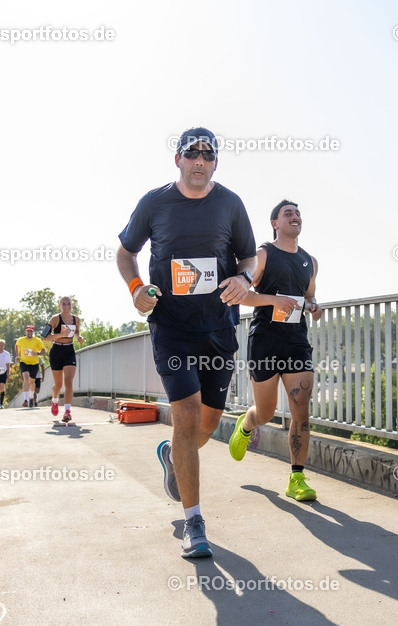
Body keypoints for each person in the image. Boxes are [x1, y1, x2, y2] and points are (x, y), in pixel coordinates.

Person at [116, 126, 256, 559]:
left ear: (215, 162)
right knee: (187, 413)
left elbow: (249, 257)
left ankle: (172, 454)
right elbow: (125, 252)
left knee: (206, 426)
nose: (200, 161)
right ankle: (194, 522)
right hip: (171, 326)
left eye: (207, 155)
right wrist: (136, 286)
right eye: (192, 154)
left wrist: (243, 277)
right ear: (177, 159)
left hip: (217, 328)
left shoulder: (230, 204)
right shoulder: (155, 203)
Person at [228, 200, 323, 501]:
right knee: (266, 412)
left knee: (301, 410)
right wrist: (273, 301)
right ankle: (246, 425)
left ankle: (297, 478)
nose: (295, 217)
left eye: (298, 213)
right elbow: (240, 295)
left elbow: (308, 298)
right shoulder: (263, 254)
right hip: (265, 339)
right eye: (288, 213)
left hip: (296, 340)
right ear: (275, 223)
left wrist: (313, 307)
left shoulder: (311, 261)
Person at [44, 297, 84, 422]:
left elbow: (76, 332)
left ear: (72, 305)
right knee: (58, 385)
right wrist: (60, 335)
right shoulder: (55, 319)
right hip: (56, 351)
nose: (66, 306)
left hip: (69, 351)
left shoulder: (76, 319)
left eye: (69, 304)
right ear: (60, 305)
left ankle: (67, 412)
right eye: (64, 304)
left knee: (68, 382)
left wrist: (78, 337)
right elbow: (45, 336)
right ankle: (55, 399)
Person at [16, 324, 45, 407]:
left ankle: (31, 398)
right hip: (24, 362)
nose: (29, 333)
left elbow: (44, 351)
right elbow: (17, 346)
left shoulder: (37, 340)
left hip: (34, 363)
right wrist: (17, 355)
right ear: (25, 332)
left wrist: (37, 353)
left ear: (33, 332)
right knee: (26, 378)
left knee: (32, 381)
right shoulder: (21, 340)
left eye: (31, 331)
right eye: (28, 331)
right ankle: (25, 400)